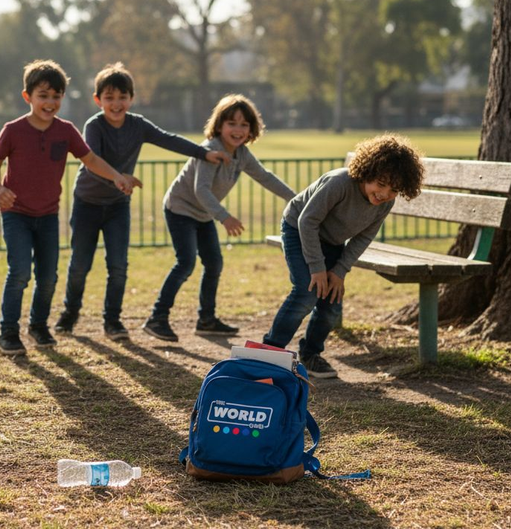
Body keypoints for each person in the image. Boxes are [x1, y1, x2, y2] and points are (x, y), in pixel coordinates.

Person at [53, 62, 231, 341]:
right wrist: (119, 178)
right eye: (109, 98)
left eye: (122, 97)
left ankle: (112, 321)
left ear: (131, 99)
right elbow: (92, 163)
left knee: (119, 265)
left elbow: (168, 139)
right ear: (98, 100)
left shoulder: (137, 125)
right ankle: (70, 312)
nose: (116, 103)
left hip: (117, 206)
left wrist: (203, 153)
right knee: (80, 265)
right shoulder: (94, 126)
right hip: (87, 203)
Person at [0, 59, 139, 356]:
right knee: (19, 272)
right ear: (27, 96)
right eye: (43, 95)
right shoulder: (13, 130)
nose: (50, 102)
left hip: (47, 215)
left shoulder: (66, 131)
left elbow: (91, 160)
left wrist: (118, 177)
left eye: (56, 96)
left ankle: (39, 326)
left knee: (48, 276)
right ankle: (8, 332)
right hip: (16, 213)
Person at [262, 133, 424, 378]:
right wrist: (317, 268)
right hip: (299, 229)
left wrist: (339, 271)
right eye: (380, 184)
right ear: (368, 171)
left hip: (331, 241)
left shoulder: (385, 204)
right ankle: (269, 354)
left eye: (394, 190)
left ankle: (311, 354)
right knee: (307, 291)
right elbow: (308, 221)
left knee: (332, 303)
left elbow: (363, 238)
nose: (384, 194)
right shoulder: (339, 182)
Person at [142, 94, 296, 342]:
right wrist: (225, 217)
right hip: (180, 208)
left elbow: (265, 177)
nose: (238, 129)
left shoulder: (242, 154)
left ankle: (206, 320)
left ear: (251, 129)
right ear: (219, 125)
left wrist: (295, 198)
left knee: (214, 263)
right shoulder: (211, 149)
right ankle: (157, 318)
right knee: (186, 263)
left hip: (203, 213)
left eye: (244, 124)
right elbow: (200, 189)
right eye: (231, 123)